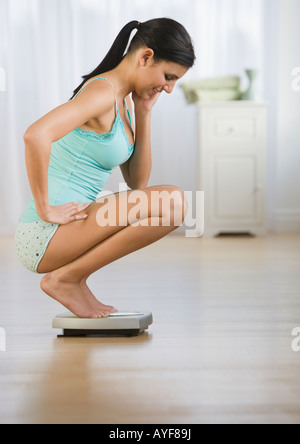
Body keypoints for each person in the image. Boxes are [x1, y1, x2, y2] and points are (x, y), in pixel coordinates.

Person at [15, 18, 196, 319]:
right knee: (172, 200)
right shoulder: (101, 93)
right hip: (44, 232)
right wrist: (46, 208)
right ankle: (66, 279)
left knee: (171, 203)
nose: (169, 88)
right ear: (146, 57)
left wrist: (143, 112)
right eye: (168, 76)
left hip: (68, 226)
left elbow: (138, 182)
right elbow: (35, 135)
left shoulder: (122, 100)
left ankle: (74, 278)